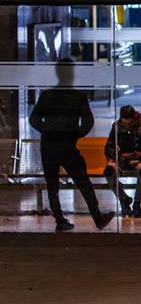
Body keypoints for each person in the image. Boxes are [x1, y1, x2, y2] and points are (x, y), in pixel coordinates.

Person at [28, 59, 113, 231]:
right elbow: (88, 122)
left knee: (52, 185)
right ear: (72, 74)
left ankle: (59, 220)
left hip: (48, 146)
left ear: (57, 73)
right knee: (83, 181)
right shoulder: (78, 96)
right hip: (67, 145)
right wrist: (75, 134)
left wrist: (47, 129)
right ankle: (97, 217)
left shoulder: (47, 95)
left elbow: (34, 119)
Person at [104, 104, 141, 218]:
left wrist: (138, 155)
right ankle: (123, 199)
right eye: (124, 123)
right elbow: (108, 148)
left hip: (140, 159)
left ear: (134, 118)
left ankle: (137, 203)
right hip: (122, 159)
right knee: (109, 172)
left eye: (129, 123)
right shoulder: (117, 126)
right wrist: (117, 155)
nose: (126, 125)